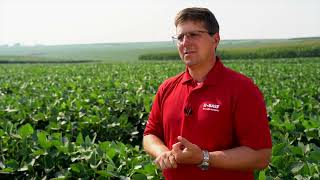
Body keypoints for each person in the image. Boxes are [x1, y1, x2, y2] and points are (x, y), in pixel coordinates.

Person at [143, 7, 272, 180]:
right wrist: (163, 152)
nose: (185, 42)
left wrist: (204, 158)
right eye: (180, 37)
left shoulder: (242, 89)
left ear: (215, 39)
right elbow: (150, 134)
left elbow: (260, 156)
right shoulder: (167, 88)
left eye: (194, 34)